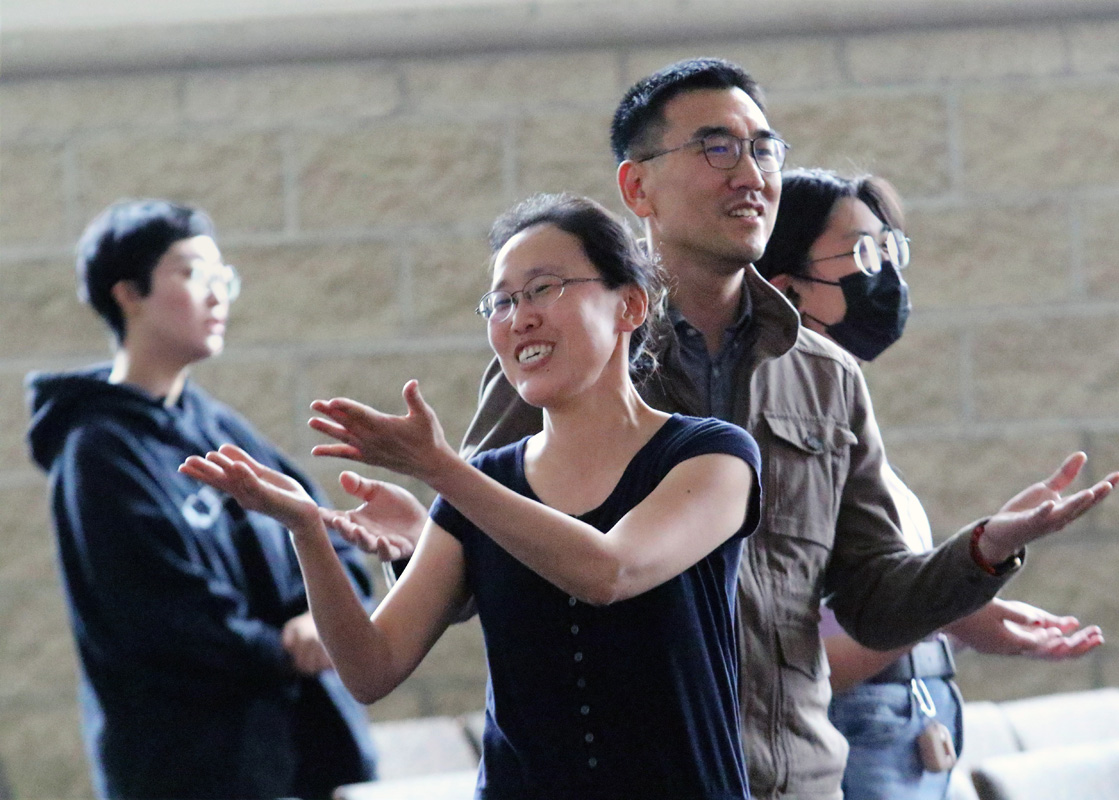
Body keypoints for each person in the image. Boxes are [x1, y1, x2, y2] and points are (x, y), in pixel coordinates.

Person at [327, 58, 1119, 799]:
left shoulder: (825, 374)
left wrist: (980, 552)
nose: (751, 174)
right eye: (716, 149)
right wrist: (422, 534)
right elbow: (487, 565)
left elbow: (875, 601)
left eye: (762, 148)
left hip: (793, 777)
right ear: (637, 188)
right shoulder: (561, 361)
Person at [181, 193, 763, 800]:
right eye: (502, 301)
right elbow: (370, 668)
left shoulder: (713, 456)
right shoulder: (482, 485)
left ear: (630, 305)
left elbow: (609, 572)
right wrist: (304, 529)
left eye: (543, 288)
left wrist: (438, 469)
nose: (519, 317)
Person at [754, 167, 1106, 800]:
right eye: (862, 254)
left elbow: (873, 609)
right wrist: (953, 605)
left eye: (890, 249)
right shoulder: (768, 439)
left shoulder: (846, 425)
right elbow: (785, 665)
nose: (885, 274)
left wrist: (963, 597)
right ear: (787, 290)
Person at [25, 199, 378, 800]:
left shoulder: (217, 426)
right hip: (191, 767)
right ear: (127, 293)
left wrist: (322, 619)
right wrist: (286, 650)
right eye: (191, 274)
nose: (217, 295)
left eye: (222, 277)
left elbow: (319, 524)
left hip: (295, 752)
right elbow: (160, 618)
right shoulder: (97, 450)